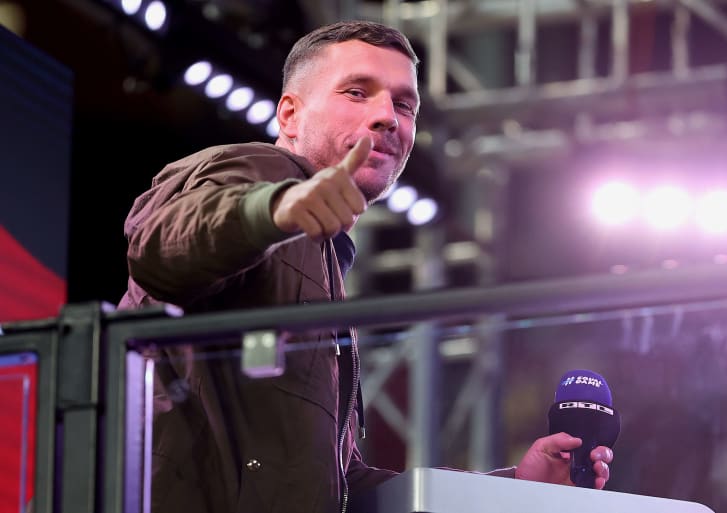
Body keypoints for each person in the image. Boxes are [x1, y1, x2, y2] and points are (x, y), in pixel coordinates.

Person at [117, 19, 613, 513]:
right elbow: (159, 248)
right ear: (289, 115)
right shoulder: (260, 170)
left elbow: (344, 490)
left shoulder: (324, 263)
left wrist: (514, 487)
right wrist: (272, 209)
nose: (387, 117)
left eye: (404, 105)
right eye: (357, 92)